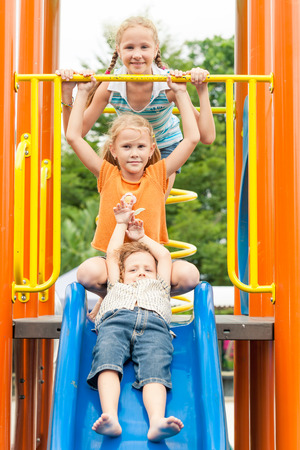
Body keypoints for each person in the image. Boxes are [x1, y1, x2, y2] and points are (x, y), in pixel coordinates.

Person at [65, 73, 200, 304]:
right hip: (113, 262)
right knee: (87, 272)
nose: (134, 153)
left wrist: (180, 92)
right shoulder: (107, 174)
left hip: (150, 262)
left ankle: (151, 298)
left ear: (151, 150)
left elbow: (192, 139)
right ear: (114, 151)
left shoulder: (158, 175)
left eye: (141, 146)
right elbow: (73, 137)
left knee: (190, 275)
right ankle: (109, 297)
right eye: (126, 146)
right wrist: (83, 93)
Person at [57, 16, 215, 197]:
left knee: (152, 202)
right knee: (122, 203)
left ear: (156, 49)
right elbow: (77, 132)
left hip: (164, 147)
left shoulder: (168, 85)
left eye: (144, 47)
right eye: (130, 47)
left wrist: (202, 91)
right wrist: (68, 94)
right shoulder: (111, 86)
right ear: (119, 50)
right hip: (129, 149)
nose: (137, 54)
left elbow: (206, 136)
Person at [87, 197, 183, 441]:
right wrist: (120, 224)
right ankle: (110, 417)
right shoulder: (115, 283)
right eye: (133, 269)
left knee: (156, 369)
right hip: (115, 323)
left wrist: (142, 237)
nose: (141, 271)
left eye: (147, 269)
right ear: (121, 274)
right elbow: (112, 255)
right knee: (106, 360)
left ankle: (157, 422)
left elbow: (163, 257)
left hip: (154, 327)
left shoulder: (160, 285)